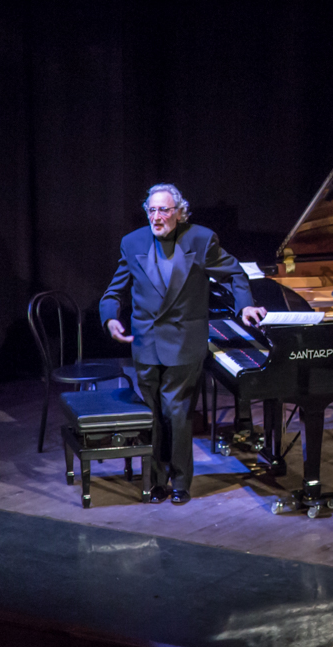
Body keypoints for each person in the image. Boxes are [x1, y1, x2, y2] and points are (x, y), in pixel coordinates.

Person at [100, 184, 266, 505]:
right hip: (145, 342)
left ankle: (180, 481)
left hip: (183, 342)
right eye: (151, 210)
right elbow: (113, 291)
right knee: (152, 413)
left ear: (179, 211)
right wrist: (110, 318)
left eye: (163, 210)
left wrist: (244, 305)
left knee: (176, 411)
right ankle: (155, 482)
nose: (156, 217)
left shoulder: (201, 239)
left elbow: (235, 274)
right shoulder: (132, 242)